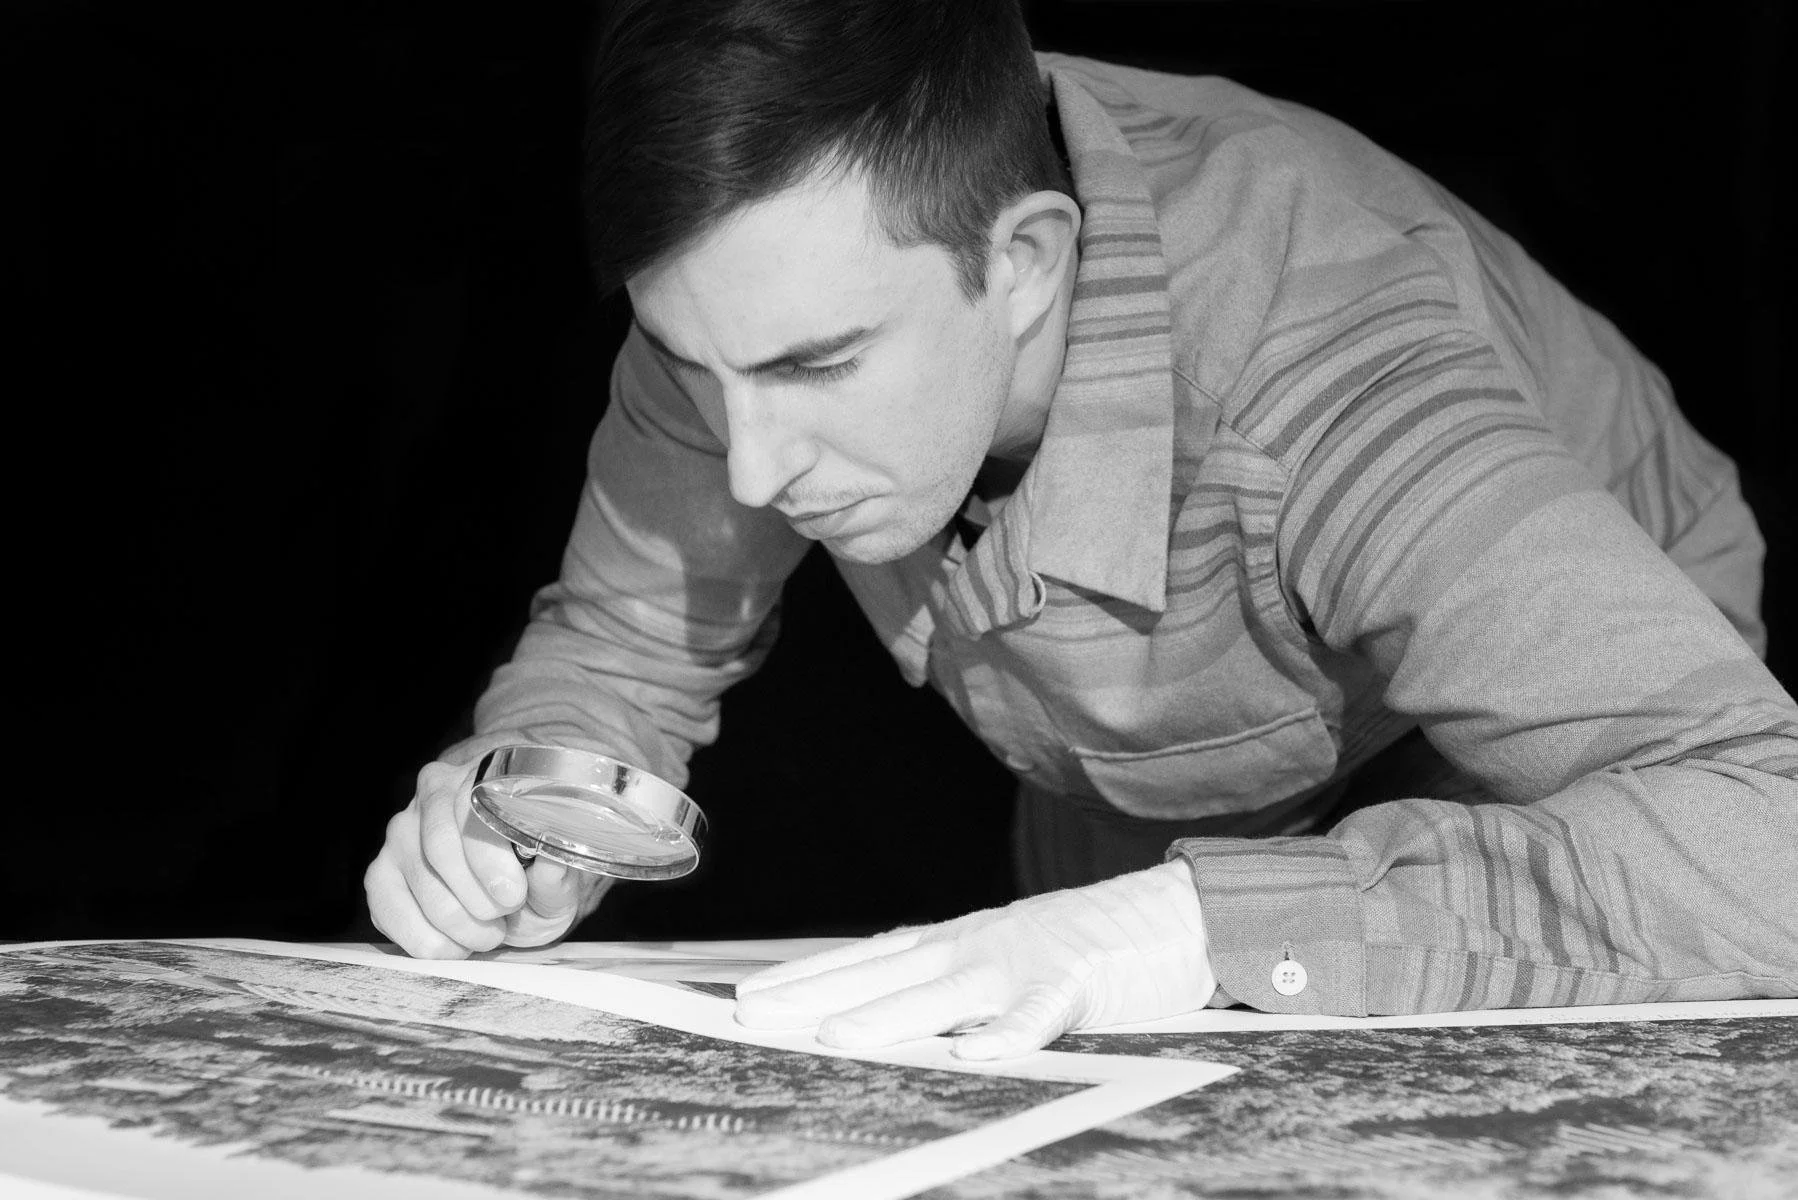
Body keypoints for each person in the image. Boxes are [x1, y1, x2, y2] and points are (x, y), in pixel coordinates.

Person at [364, 0, 1798, 1058]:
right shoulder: (752, 299)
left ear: (1026, 261)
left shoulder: (1325, 368)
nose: (744, 471)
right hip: (1153, 780)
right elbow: (622, 648)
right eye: (691, 370)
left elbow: (1765, 837)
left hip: (1564, 767)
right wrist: (521, 806)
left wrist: (1190, 927)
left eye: (818, 369)